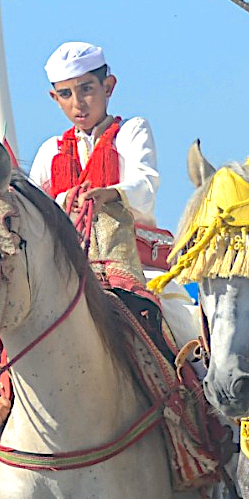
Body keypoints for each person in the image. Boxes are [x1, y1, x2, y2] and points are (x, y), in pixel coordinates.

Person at [30, 43, 201, 349]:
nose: (78, 103)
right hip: (66, 267)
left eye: (86, 89)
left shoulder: (131, 131)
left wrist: (112, 194)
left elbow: (145, 184)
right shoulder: (49, 151)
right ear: (55, 99)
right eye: (66, 94)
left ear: (108, 87)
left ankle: (201, 386)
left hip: (134, 262)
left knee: (181, 322)